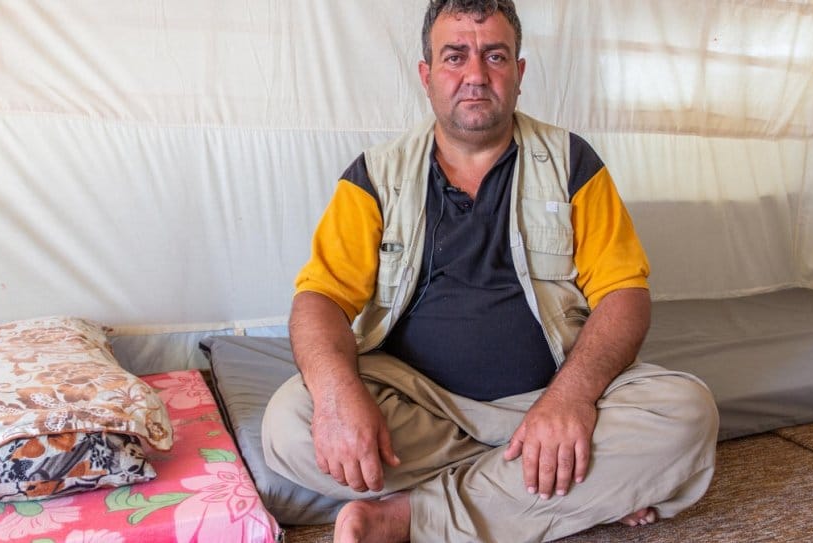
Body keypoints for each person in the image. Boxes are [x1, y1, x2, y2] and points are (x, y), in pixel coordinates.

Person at [262, 1, 719, 541]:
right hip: (418, 408)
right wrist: (338, 399)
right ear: (426, 76)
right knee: (290, 424)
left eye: (494, 56)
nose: (475, 75)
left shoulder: (574, 163)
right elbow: (320, 299)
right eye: (454, 57)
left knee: (686, 414)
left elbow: (625, 295)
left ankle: (408, 516)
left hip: (551, 393)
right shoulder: (374, 176)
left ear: (519, 73)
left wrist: (569, 400)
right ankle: (560, 487)